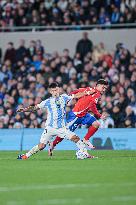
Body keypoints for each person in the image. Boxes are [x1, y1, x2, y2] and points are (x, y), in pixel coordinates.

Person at [17, 82, 94, 160]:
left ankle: (84, 154)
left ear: (59, 89)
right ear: (50, 91)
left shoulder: (64, 97)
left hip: (62, 128)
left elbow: (76, 95)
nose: (55, 92)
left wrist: (87, 93)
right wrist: (24, 110)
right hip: (50, 128)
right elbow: (35, 108)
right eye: (53, 90)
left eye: (56, 90)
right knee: (41, 146)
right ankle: (25, 156)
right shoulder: (47, 101)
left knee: (76, 138)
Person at [49, 79, 108, 156]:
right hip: (76, 115)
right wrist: (69, 97)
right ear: (98, 86)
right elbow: (77, 91)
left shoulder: (95, 93)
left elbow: (91, 105)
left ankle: (85, 139)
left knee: (96, 124)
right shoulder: (90, 91)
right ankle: (53, 144)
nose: (104, 90)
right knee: (64, 133)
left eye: (105, 88)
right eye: (103, 87)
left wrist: (99, 115)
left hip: (84, 114)